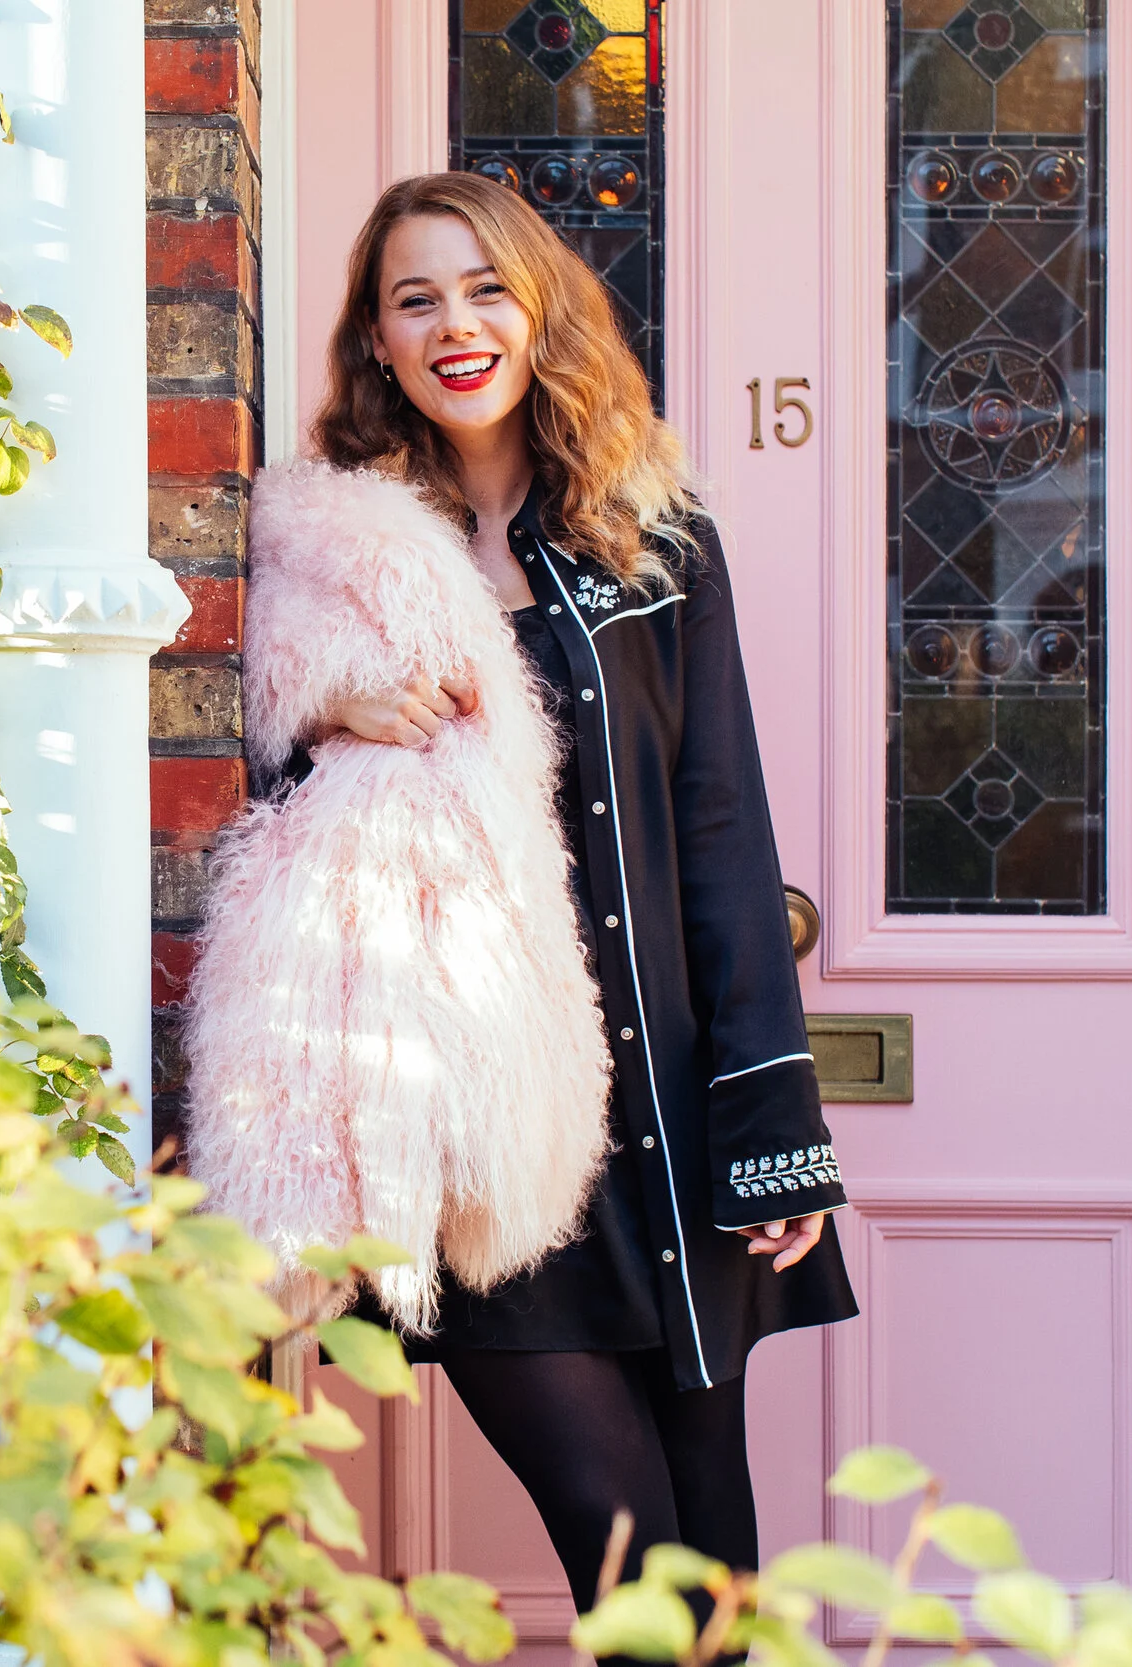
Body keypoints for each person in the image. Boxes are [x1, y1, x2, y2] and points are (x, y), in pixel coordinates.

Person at [269, 172, 858, 1609]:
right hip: (479, 1126)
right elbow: (269, 826)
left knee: (712, 1562)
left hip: (661, 1115)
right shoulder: (328, 559)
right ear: (377, 343)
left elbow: (719, 825)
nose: (455, 325)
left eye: (486, 289)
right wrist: (325, 706)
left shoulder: (652, 542)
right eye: (416, 299)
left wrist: (773, 1125)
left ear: (540, 315)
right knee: (632, 1556)